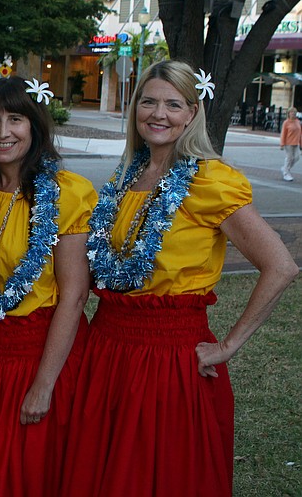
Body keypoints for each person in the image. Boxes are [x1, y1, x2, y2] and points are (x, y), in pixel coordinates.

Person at [61, 60, 299, 496]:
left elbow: (281, 266)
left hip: (169, 357)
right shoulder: (127, 175)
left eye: (173, 104)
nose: (158, 113)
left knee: (162, 475)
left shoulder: (208, 181)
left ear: (191, 113)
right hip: (108, 347)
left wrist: (228, 346)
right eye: (148, 101)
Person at [0, 77, 96, 497]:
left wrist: (43, 384)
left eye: (16, 119)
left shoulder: (66, 194)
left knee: (31, 473)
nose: (2, 132)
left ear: (35, 125)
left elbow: (74, 295)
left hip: (42, 354)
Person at [279, 106, 300, 181]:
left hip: (296, 143)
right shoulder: (286, 123)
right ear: (288, 113)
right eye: (292, 112)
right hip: (288, 143)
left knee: (297, 157)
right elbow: (283, 133)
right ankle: (286, 173)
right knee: (289, 158)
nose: (293, 114)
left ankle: (285, 168)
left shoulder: (297, 122)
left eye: (294, 112)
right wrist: (282, 144)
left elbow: (300, 133)